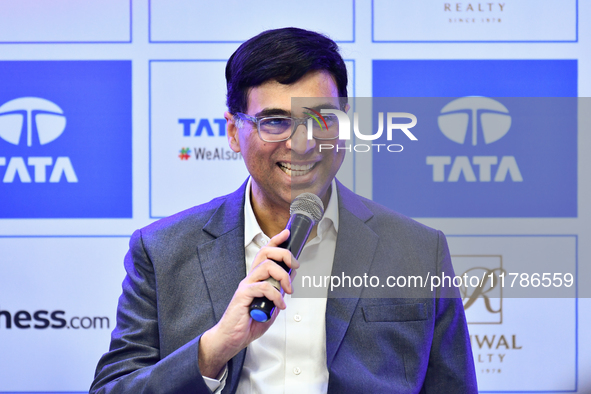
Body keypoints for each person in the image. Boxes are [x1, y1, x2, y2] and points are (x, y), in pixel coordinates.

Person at [90, 27, 477, 393]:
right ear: (232, 131)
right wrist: (212, 350)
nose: (303, 144)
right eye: (275, 121)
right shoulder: (162, 250)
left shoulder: (419, 252)